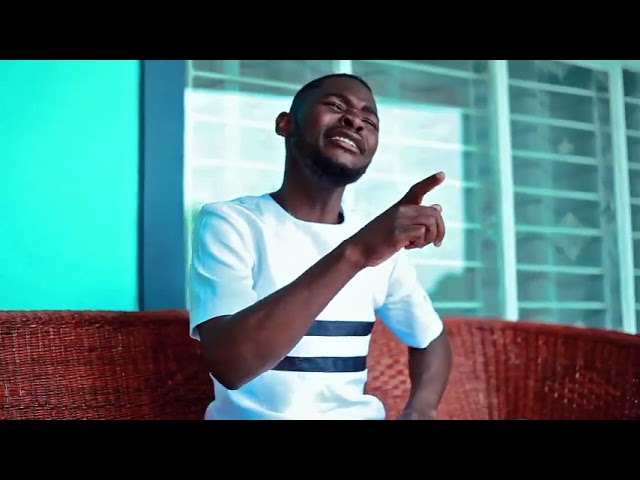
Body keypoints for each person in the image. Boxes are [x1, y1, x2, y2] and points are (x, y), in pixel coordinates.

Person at [188, 72, 452, 420]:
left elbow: (430, 339)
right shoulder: (232, 223)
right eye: (336, 106)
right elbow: (231, 365)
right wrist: (355, 253)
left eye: (370, 120)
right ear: (286, 124)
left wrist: (421, 409)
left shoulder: (378, 240)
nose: (355, 120)